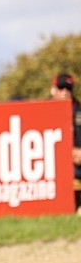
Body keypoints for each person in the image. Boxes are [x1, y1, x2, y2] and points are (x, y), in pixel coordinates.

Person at [50, 73, 81, 210]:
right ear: (53, 90)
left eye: (68, 89)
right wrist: (68, 151)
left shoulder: (79, 110)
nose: (65, 93)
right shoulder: (44, 112)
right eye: (61, 89)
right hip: (57, 169)